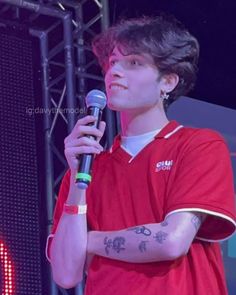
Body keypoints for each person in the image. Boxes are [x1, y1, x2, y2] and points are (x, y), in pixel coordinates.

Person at [47, 14, 236, 295]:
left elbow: (171, 241)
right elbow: (65, 274)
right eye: (112, 63)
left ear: (168, 82)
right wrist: (77, 179)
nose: (115, 72)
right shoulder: (88, 167)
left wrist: (90, 241)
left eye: (133, 62)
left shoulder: (199, 145)